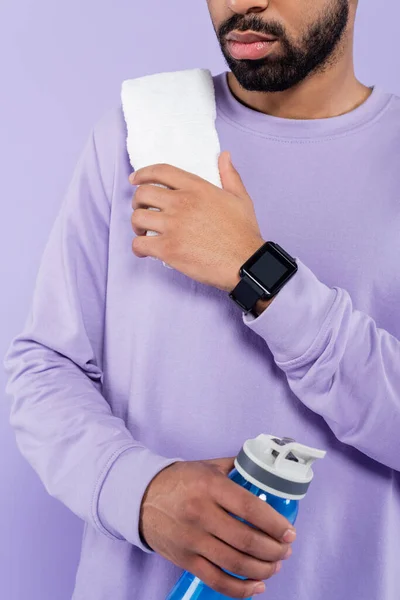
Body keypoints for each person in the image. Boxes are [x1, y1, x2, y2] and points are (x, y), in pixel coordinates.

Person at [3, 0, 400, 598]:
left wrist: (258, 272)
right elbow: (46, 366)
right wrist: (140, 491)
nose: (241, 3)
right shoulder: (144, 130)